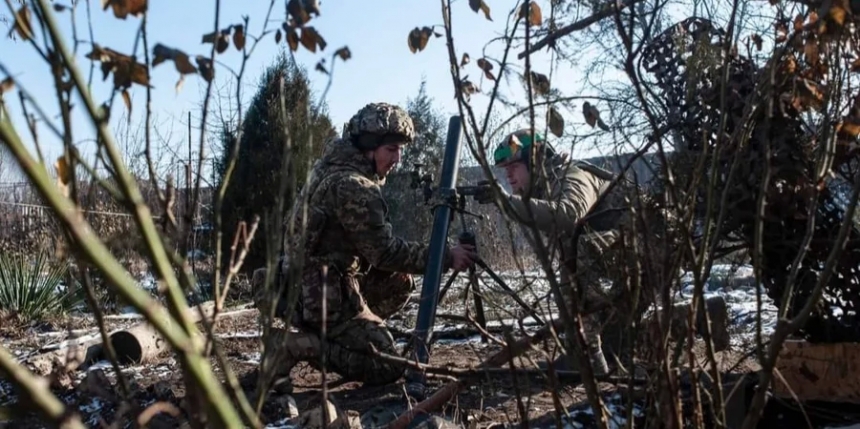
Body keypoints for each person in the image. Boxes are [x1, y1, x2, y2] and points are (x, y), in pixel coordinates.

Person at [252, 102, 478, 397]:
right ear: (369, 147)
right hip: (322, 296)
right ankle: (296, 345)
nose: (397, 158)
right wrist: (447, 256)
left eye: (400, 150)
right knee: (387, 366)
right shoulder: (354, 186)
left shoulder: (328, 169)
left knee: (399, 283)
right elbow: (384, 253)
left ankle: (348, 335)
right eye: (391, 150)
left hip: (303, 285)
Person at [474, 129, 632, 375]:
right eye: (505, 168)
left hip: (652, 246)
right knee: (571, 260)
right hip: (627, 255)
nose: (508, 174)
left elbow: (568, 215)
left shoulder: (572, 175)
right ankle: (582, 355)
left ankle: (590, 358)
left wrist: (506, 201)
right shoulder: (545, 188)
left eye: (514, 166)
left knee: (579, 252)